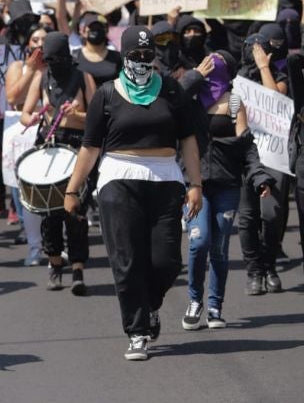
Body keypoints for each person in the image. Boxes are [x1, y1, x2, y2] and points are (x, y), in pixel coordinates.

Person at [63, 26, 202, 361]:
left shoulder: (170, 90)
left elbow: (188, 140)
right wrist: (72, 188)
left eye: (147, 54)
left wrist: (195, 184)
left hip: (165, 178)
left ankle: (150, 304)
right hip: (118, 179)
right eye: (135, 55)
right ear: (123, 56)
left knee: (166, 260)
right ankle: (137, 332)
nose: (142, 61)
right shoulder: (107, 95)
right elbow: (90, 147)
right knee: (127, 261)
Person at [182, 51, 272, 330]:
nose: (211, 68)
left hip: (228, 184)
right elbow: (171, 99)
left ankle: (214, 307)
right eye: (206, 63)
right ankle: (195, 301)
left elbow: (246, 145)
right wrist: (194, 76)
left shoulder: (234, 102)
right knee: (199, 242)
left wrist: (259, 177)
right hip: (197, 184)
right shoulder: (192, 99)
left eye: (216, 65)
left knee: (220, 248)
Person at [20, 32, 89, 293]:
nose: (54, 63)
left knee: (76, 210)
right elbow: (25, 114)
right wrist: (40, 115)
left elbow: (96, 114)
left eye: (58, 58)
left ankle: (79, 269)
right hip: (49, 146)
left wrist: (78, 114)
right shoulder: (42, 77)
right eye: (50, 59)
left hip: (76, 146)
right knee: (49, 211)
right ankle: (55, 264)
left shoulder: (82, 77)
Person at [236, 28, 289, 294]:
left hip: (274, 152)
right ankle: (254, 271)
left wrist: (264, 68)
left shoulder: (279, 76)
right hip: (247, 151)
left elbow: (275, 100)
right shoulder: (238, 80)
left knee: (271, 214)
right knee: (247, 216)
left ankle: (269, 266)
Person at [5, 25, 49, 264]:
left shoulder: (56, 68)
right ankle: (34, 243)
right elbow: (13, 98)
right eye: (35, 40)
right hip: (23, 133)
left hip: (49, 133)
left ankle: (53, 242)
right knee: (27, 194)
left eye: (44, 39)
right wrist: (31, 71)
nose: (39, 44)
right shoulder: (18, 67)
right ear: (27, 45)